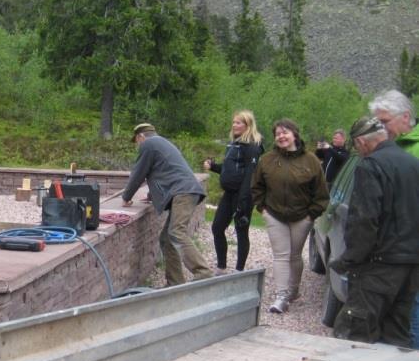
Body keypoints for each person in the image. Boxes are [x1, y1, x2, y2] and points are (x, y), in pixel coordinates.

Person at [330, 116, 419, 347]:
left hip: (378, 266)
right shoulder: (413, 164)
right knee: (397, 335)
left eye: (357, 148)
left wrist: (350, 259)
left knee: (355, 334)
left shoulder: (370, 166)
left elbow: (364, 221)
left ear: (361, 142)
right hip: (410, 266)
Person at [251, 119, 329, 313]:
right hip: (275, 215)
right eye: (277, 134)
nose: (281, 136)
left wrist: (311, 215)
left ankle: (293, 290)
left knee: (295, 255)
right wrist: (263, 209)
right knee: (281, 255)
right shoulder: (267, 160)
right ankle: (281, 295)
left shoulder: (311, 160)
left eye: (285, 132)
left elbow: (321, 193)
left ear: (295, 134)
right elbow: (256, 186)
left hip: (302, 217)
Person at [122, 123, 213, 286]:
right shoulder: (161, 143)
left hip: (183, 192)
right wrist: (153, 195)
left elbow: (139, 173)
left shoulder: (148, 144)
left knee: (176, 232)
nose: (137, 145)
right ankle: (175, 282)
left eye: (136, 141)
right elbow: (165, 172)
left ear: (140, 137)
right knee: (166, 238)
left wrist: (126, 197)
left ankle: (203, 272)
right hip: (185, 190)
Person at [369, 89, 419, 349]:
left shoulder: (414, 150)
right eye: (378, 122)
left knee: (412, 317)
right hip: (389, 251)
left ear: (406, 117)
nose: (382, 128)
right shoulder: (380, 149)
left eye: (385, 121)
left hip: (411, 249)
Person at [203, 110, 263, 274]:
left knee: (241, 231)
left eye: (239, 122)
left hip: (243, 195)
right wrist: (214, 166)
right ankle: (221, 267)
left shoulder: (252, 146)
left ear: (248, 125)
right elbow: (230, 170)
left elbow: (249, 175)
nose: (235, 125)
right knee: (217, 228)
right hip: (229, 193)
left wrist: (243, 201)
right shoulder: (234, 143)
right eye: (234, 122)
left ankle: (239, 270)